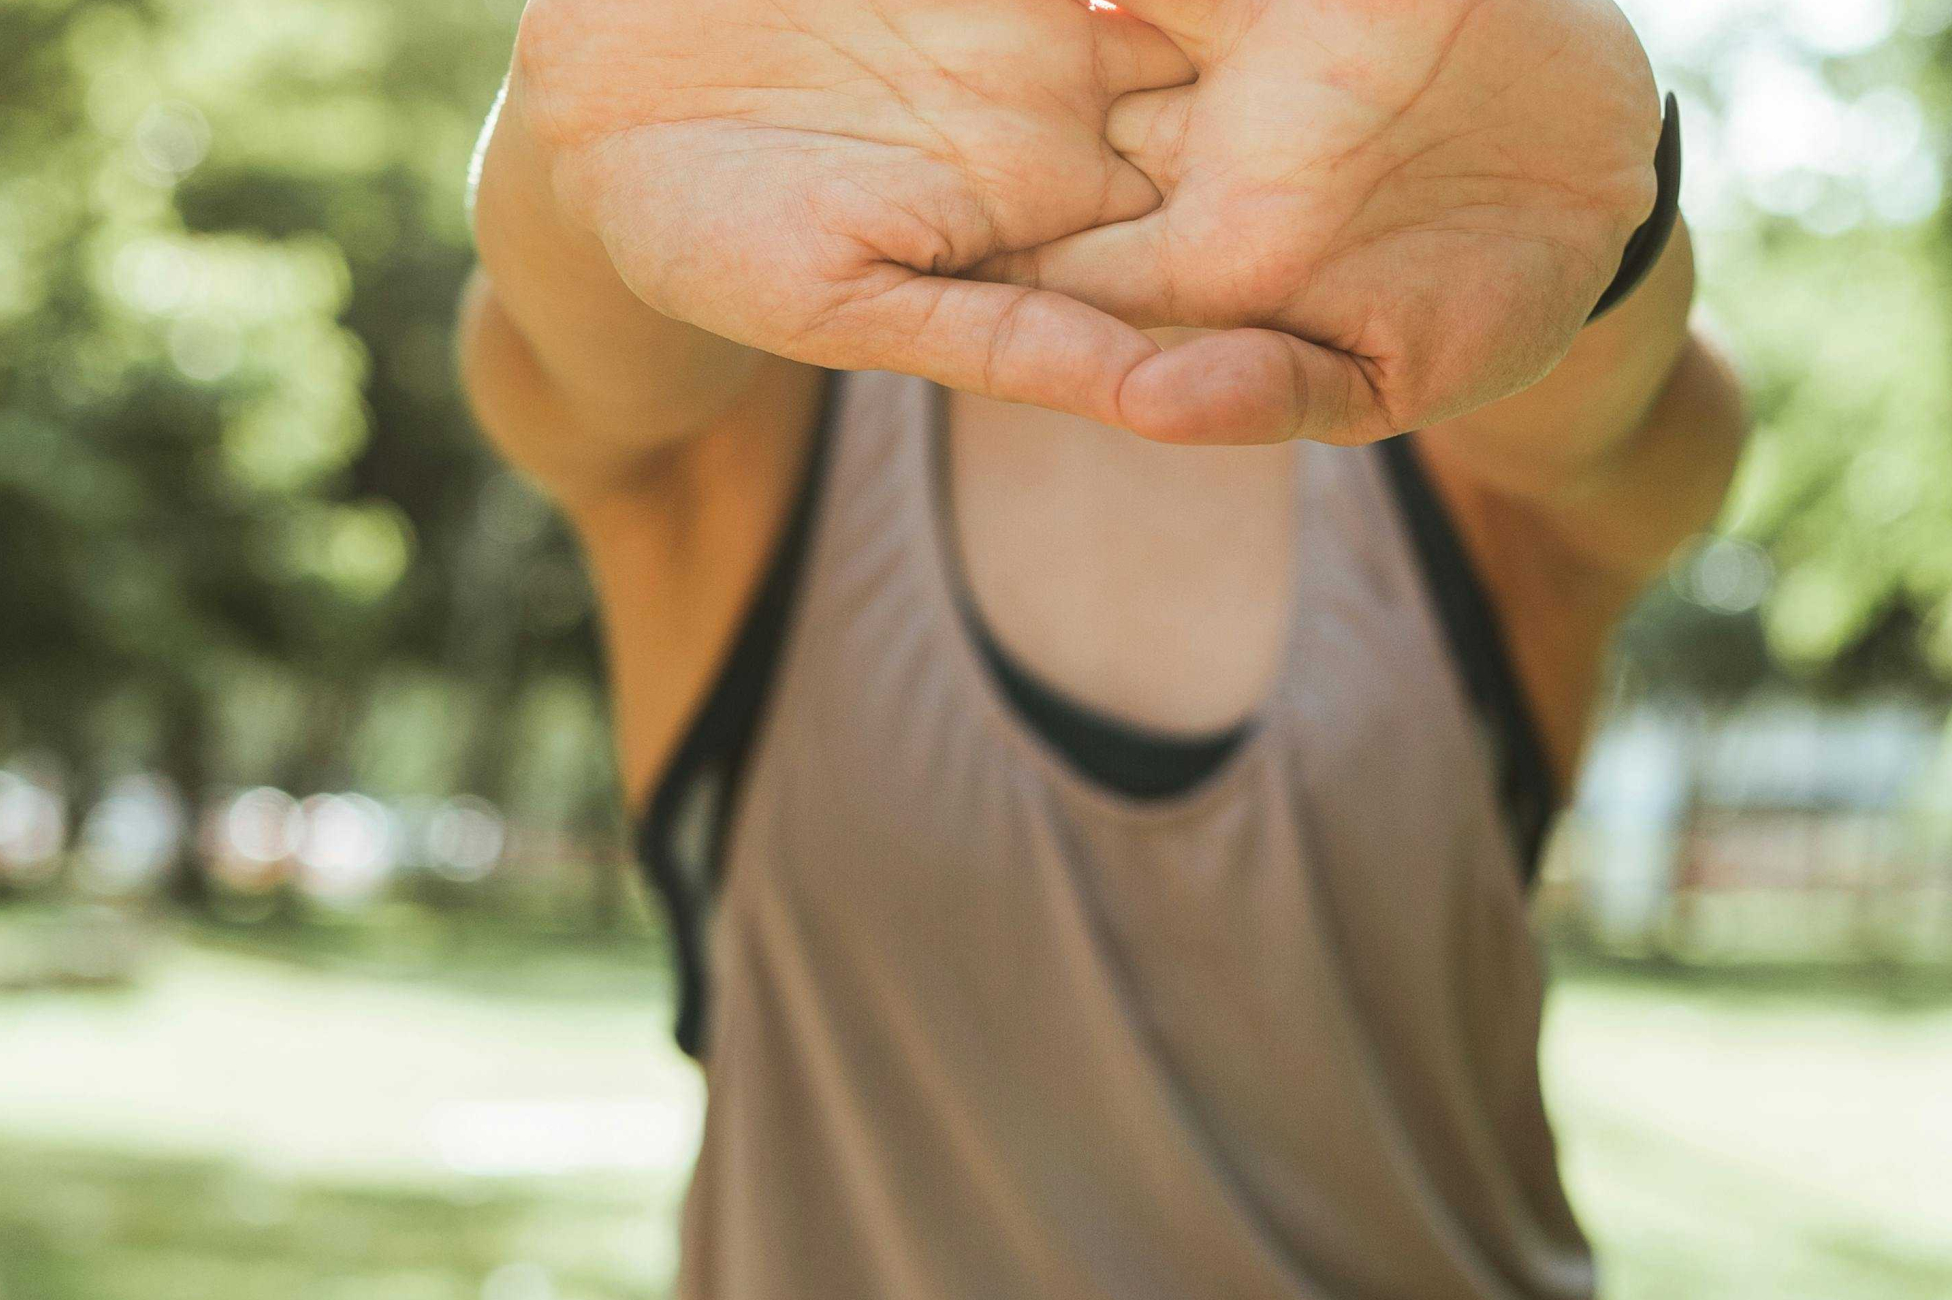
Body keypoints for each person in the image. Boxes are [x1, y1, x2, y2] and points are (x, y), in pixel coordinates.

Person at [460, 0, 1747, 1294]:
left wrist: (1608, 248)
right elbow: (564, 352)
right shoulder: (757, 423)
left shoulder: (1456, 426)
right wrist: (560, 155)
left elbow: (1632, 428)